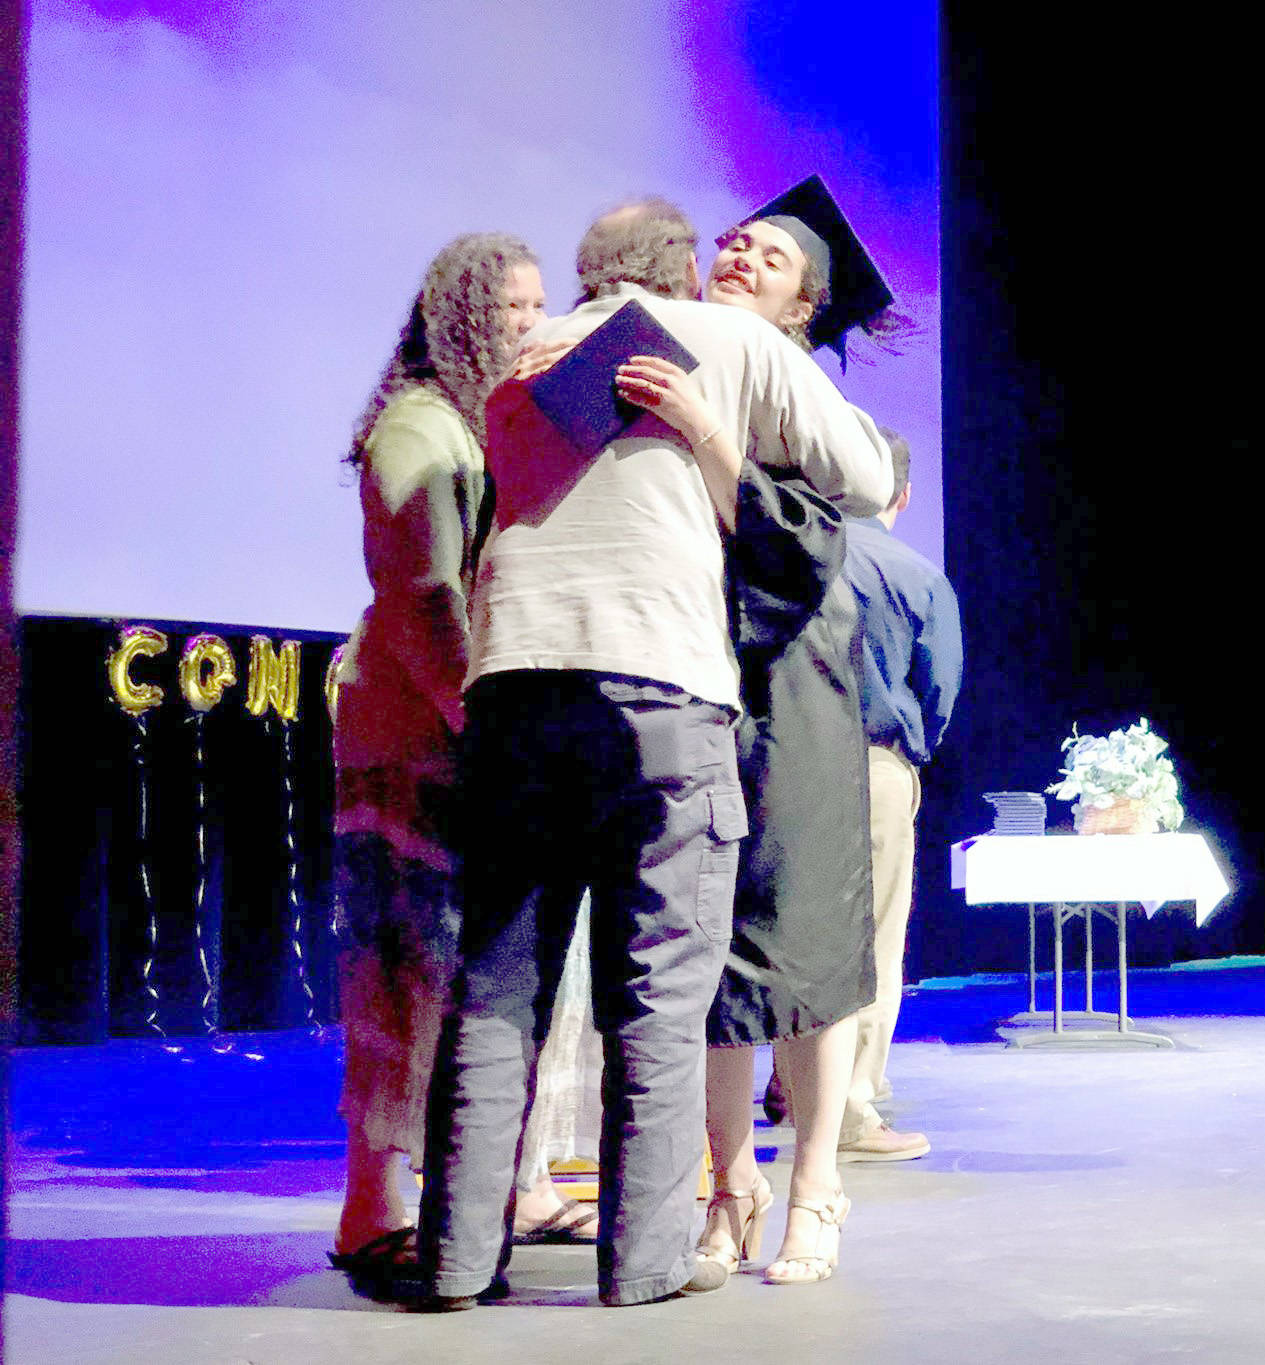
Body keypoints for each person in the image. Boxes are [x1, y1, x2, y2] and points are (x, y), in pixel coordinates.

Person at [414, 199, 891, 1310]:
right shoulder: (727, 342)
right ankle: (644, 1262)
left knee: (495, 989)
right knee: (659, 993)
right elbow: (866, 478)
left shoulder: (524, 358)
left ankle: (451, 1259)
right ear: (681, 271)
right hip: (659, 695)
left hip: (515, 688)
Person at [680, 177, 905, 1286]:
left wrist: (712, 444)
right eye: (727, 242)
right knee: (711, 952)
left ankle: (816, 1183)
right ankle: (730, 1183)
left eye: (765, 254)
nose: (735, 254)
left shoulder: (811, 415)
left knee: (805, 946)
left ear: (806, 305)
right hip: (692, 678)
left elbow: (799, 545)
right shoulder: (670, 371)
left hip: (799, 684)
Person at [327, 232, 546, 1293]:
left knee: (434, 968)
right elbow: (425, 604)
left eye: (539, 306)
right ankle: (374, 1211)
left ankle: (437, 1201)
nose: (531, 325)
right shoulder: (420, 428)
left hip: (442, 731)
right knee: (400, 966)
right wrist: (481, 724)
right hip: (415, 735)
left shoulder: (477, 424)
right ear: (462, 317)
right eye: (512, 309)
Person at [836, 426, 962, 1162]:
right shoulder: (916, 575)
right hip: (878, 762)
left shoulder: (792, 559)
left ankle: (793, 1082)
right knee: (875, 938)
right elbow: (938, 689)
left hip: (780, 763)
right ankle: (852, 1101)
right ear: (904, 495)